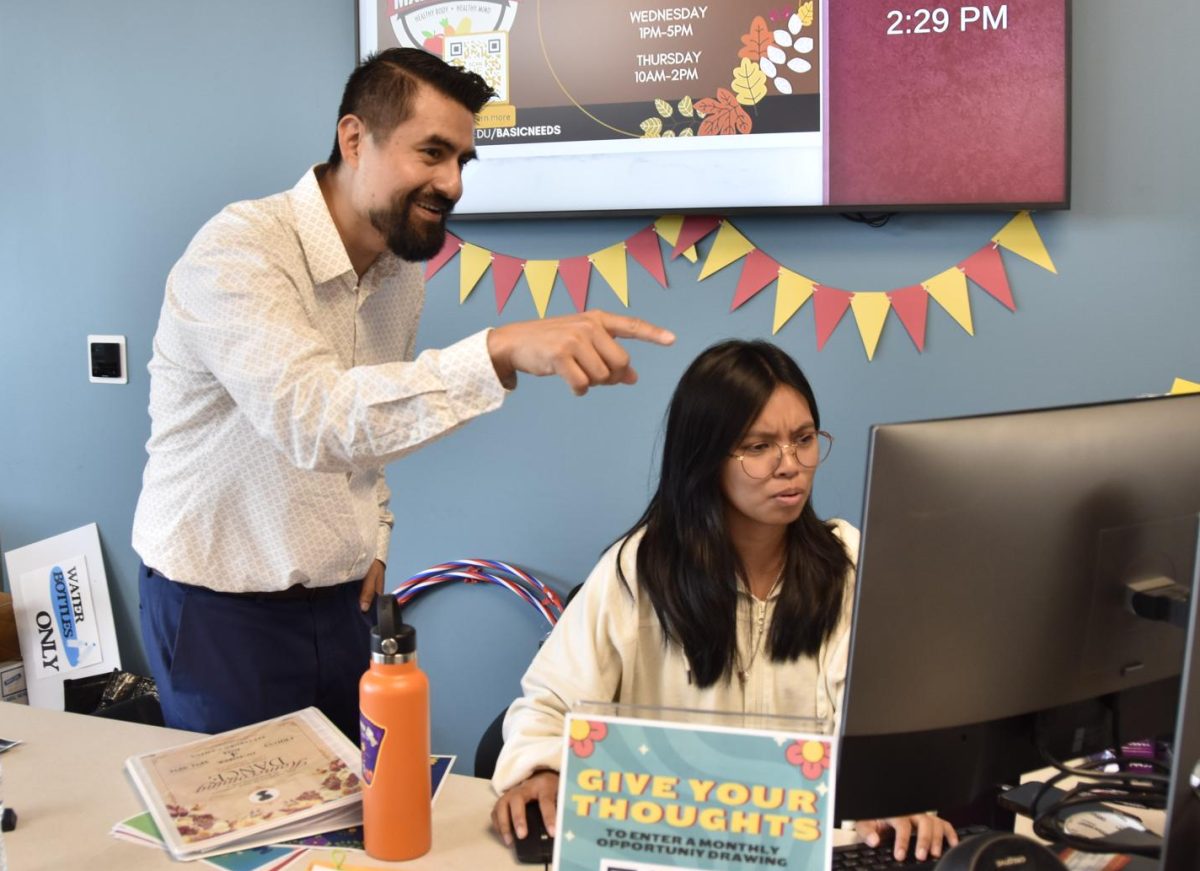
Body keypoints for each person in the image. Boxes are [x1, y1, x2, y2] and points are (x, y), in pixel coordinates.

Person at [131, 48, 673, 742]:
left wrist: (375, 533)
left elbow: (367, 427)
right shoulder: (239, 253)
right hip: (219, 612)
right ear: (354, 139)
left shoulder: (398, 275)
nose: (452, 183)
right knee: (250, 840)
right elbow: (316, 418)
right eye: (432, 153)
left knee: (349, 826)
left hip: (341, 602)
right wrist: (498, 348)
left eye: (462, 162)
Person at [490, 340, 958, 862]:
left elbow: (885, 717)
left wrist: (895, 793)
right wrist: (542, 768)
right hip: (670, 846)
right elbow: (550, 703)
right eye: (758, 447)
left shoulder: (845, 561)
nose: (790, 466)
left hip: (806, 851)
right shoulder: (638, 569)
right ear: (706, 459)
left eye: (803, 439)